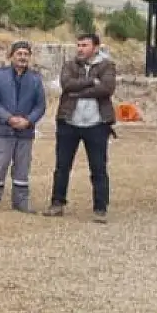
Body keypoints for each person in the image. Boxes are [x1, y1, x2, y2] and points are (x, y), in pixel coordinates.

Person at [45, 33, 116, 222]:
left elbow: (107, 89)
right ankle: (57, 203)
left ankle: (100, 208)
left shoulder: (107, 65)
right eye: (78, 45)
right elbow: (66, 85)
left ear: (96, 47)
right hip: (69, 122)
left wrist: (78, 93)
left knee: (98, 168)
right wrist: (92, 81)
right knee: (62, 166)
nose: (80, 49)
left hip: (97, 124)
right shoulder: (70, 65)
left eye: (84, 45)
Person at [0, 41, 46, 212]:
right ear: (11, 56)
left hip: (25, 131)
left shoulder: (35, 79)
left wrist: (28, 121)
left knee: (22, 166)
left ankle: (21, 201)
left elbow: (40, 106)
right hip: (3, 129)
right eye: (19, 53)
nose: (22, 57)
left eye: (26, 54)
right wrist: (9, 118)